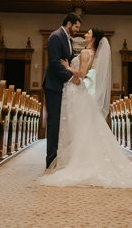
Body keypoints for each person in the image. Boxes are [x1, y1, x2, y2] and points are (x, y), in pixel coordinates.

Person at [37, 28, 132, 188]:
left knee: (79, 126)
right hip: (76, 92)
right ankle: (76, 157)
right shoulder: (90, 52)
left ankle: (77, 160)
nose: (85, 35)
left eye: (88, 34)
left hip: (76, 90)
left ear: (93, 39)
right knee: (81, 127)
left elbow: (81, 74)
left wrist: (67, 67)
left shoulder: (87, 52)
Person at [42, 13, 82, 169]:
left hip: (62, 86)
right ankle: (51, 161)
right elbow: (54, 63)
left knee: (61, 123)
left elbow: (67, 61)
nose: (78, 30)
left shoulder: (67, 39)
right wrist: (71, 78)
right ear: (69, 24)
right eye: (76, 27)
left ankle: (59, 158)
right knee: (54, 122)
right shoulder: (56, 37)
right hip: (53, 85)